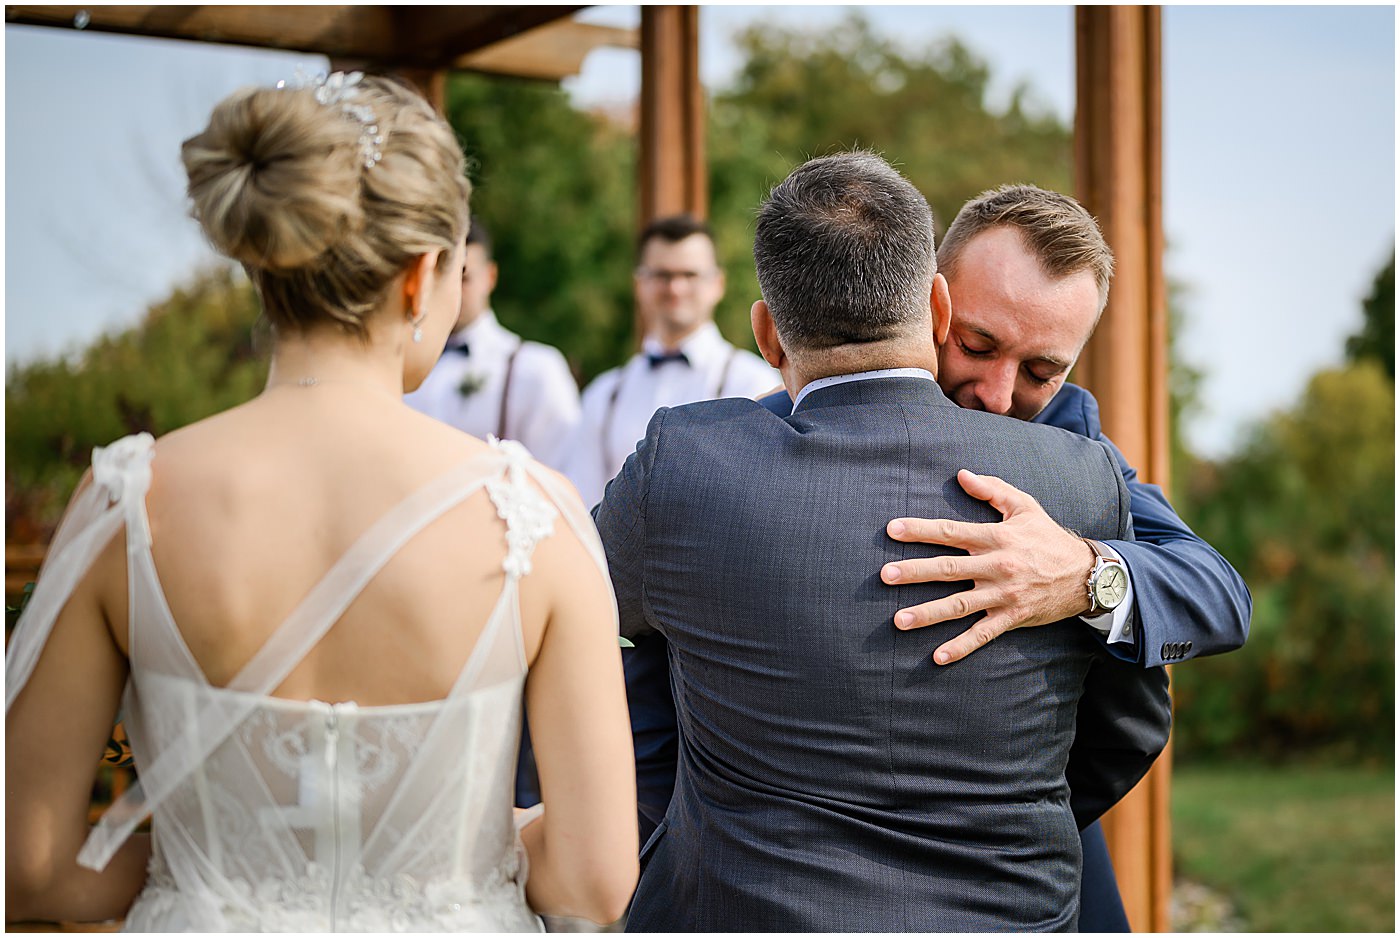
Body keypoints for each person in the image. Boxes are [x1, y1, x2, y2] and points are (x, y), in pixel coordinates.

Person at [5, 73, 637, 931]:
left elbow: (30, 874)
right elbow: (595, 887)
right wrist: (473, 855)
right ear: (422, 279)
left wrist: (205, 874)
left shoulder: (127, 498)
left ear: (264, 267)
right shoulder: (533, 515)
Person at [593, 150, 1172, 930]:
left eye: (1041, 370)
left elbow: (567, 623)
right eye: (979, 344)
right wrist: (1006, 817)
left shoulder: (688, 462)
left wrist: (1091, 577)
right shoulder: (1076, 479)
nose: (1001, 393)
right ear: (938, 307)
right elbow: (1130, 724)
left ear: (767, 333)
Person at [561, 214, 777, 508]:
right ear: (640, 284)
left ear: (718, 284)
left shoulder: (754, 382)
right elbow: (580, 502)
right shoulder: (604, 394)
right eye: (662, 275)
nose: (675, 288)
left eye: (689, 275)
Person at [405, 216, 580, 471]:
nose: (448, 287)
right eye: (436, 275)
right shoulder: (400, 363)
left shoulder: (535, 369)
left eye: (463, 277)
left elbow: (562, 474)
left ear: (490, 277)